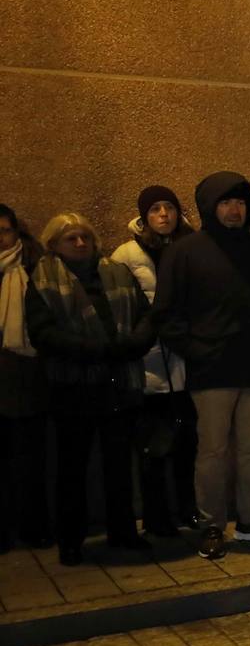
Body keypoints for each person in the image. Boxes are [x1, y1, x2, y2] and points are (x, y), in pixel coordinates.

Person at [151, 171, 250, 560]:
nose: (235, 210)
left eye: (241, 202)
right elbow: (166, 313)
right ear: (209, 206)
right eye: (226, 202)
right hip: (212, 368)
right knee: (212, 451)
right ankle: (211, 524)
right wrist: (197, 350)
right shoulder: (185, 252)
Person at [26, 213, 156, 566]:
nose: (80, 243)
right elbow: (43, 332)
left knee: (119, 464)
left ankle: (123, 530)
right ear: (54, 244)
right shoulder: (43, 280)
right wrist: (95, 350)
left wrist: (133, 343)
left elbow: (145, 315)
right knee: (72, 468)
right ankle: (71, 540)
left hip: (119, 382)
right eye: (71, 239)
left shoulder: (116, 271)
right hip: (74, 386)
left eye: (84, 236)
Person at [111, 186, 199, 536]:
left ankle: (188, 509)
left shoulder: (190, 247)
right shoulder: (127, 254)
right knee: (153, 446)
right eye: (155, 209)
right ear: (144, 216)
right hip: (149, 365)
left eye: (170, 208)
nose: (164, 215)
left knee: (187, 444)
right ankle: (157, 516)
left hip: (186, 363)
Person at [0, 204, 50, 553]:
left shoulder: (34, 266)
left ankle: (34, 526)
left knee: (31, 458)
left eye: (4, 230)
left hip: (26, 375)